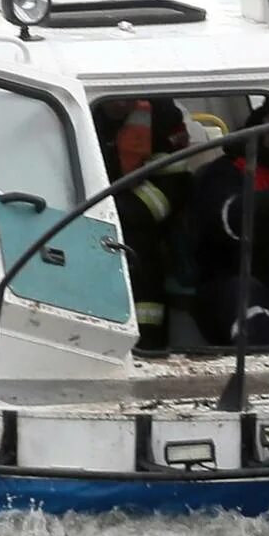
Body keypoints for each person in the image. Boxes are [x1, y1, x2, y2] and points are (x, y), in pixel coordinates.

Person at [190, 98, 269, 346]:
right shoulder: (226, 171)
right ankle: (265, 376)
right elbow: (225, 221)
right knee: (245, 294)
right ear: (267, 119)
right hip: (234, 279)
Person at [93, 95, 193, 350]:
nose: (121, 104)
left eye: (127, 98)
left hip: (142, 223)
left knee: (146, 271)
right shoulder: (73, 104)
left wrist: (119, 211)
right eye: (113, 99)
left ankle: (148, 347)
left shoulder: (162, 115)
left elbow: (173, 184)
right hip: (79, 217)